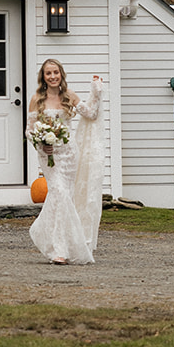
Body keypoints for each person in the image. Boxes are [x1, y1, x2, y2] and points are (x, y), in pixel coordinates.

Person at [27, 60, 105, 265]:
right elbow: (29, 130)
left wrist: (96, 92)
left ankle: (59, 249)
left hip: (69, 153)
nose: (52, 76)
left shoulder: (69, 96)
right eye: (48, 73)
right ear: (43, 77)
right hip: (48, 155)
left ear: (61, 74)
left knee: (63, 197)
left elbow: (91, 113)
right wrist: (42, 143)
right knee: (59, 193)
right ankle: (54, 241)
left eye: (55, 72)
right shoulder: (37, 99)